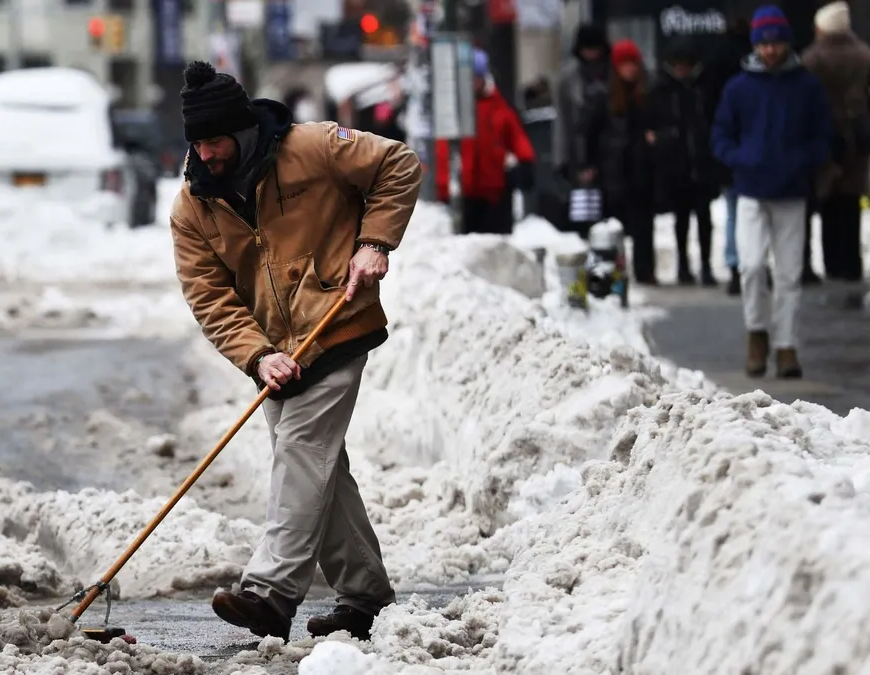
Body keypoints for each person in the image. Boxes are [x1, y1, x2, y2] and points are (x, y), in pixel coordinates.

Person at [168, 61, 421, 641]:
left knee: (302, 451)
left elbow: (398, 164)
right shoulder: (192, 207)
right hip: (277, 352)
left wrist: (375, 242)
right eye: (197, 144)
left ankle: (271, 592)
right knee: (319, 471)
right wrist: (257, 356)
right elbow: (209, 297)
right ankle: (365, 596)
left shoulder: (313, 147)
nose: (206, 154)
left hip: (336, 320)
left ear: (240, 129)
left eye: (215, 141)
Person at [711, 6, 833, 379]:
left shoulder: (806, 85)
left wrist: (804, 161)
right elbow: (720, 134)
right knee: (750, 266)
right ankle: (757, 333)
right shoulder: (739, 87)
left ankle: (786, 346)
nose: (769, 50)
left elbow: (823, 135)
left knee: (789, 274)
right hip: (750, 190)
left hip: (792, 192)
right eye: (763, 44)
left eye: (776, 43)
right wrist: (739, 158)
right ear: (754, 45)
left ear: (786, 43)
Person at [580, 39, 657, 284]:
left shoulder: (645, 93)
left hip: (641, 168)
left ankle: (644, 270)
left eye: (632, 64)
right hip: (613, 169)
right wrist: (590, 164)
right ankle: (612, 273)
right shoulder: (604, 95)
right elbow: (591, 133)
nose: (629, 69)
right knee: (612, 225)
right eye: (624, 64)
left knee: (643, 224)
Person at [803, 1, 870, 282]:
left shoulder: (813, 58)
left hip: (825, 135)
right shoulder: (864, 55)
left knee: (826, 198)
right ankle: (851, 263)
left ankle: (831, 262)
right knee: (851, 200)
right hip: (858, 136)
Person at [436, 49, 535, 234]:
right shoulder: (451, 109)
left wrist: (525, 161)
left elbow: (516, 137)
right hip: (464, 192)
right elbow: (442, 151)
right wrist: (443, 186)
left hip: (493, 191)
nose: (472, 83)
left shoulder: (498, 106)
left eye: (476, 78)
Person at [648, 38, 720, 286]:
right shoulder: (662, 90)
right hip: (676, 163)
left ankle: (706, 265)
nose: (682, 69)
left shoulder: (702, 88)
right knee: (681, 219)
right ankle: (683, 266)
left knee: (704, 219)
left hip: (701, 160)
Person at [702, 14, 752, 295]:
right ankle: (753, 265)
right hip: (754, 146)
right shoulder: (750, 64)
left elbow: (710, 109)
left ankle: (734, 265)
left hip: (730, 148)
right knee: (758, 213)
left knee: (734, 211)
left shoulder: (717, 60)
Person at [553, 24, 611, 178]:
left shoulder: (612, 71)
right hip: (579, 152)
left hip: (610, 148)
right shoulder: (567, 77)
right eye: (587, 49)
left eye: (595, 49)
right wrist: (562, 160)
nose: (591, 54)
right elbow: (562, 119)